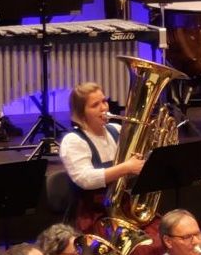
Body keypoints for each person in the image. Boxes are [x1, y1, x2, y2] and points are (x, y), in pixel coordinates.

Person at [58, 81, 146, 237]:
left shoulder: (117, 130)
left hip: (123, 207)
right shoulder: (73, 140)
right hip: (92, 215)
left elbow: (133, 168)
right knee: (139, 247)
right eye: (95, 105)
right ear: (81, 113)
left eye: (104, 101)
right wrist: (127, 167)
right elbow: (86, 179)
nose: (104, 108)